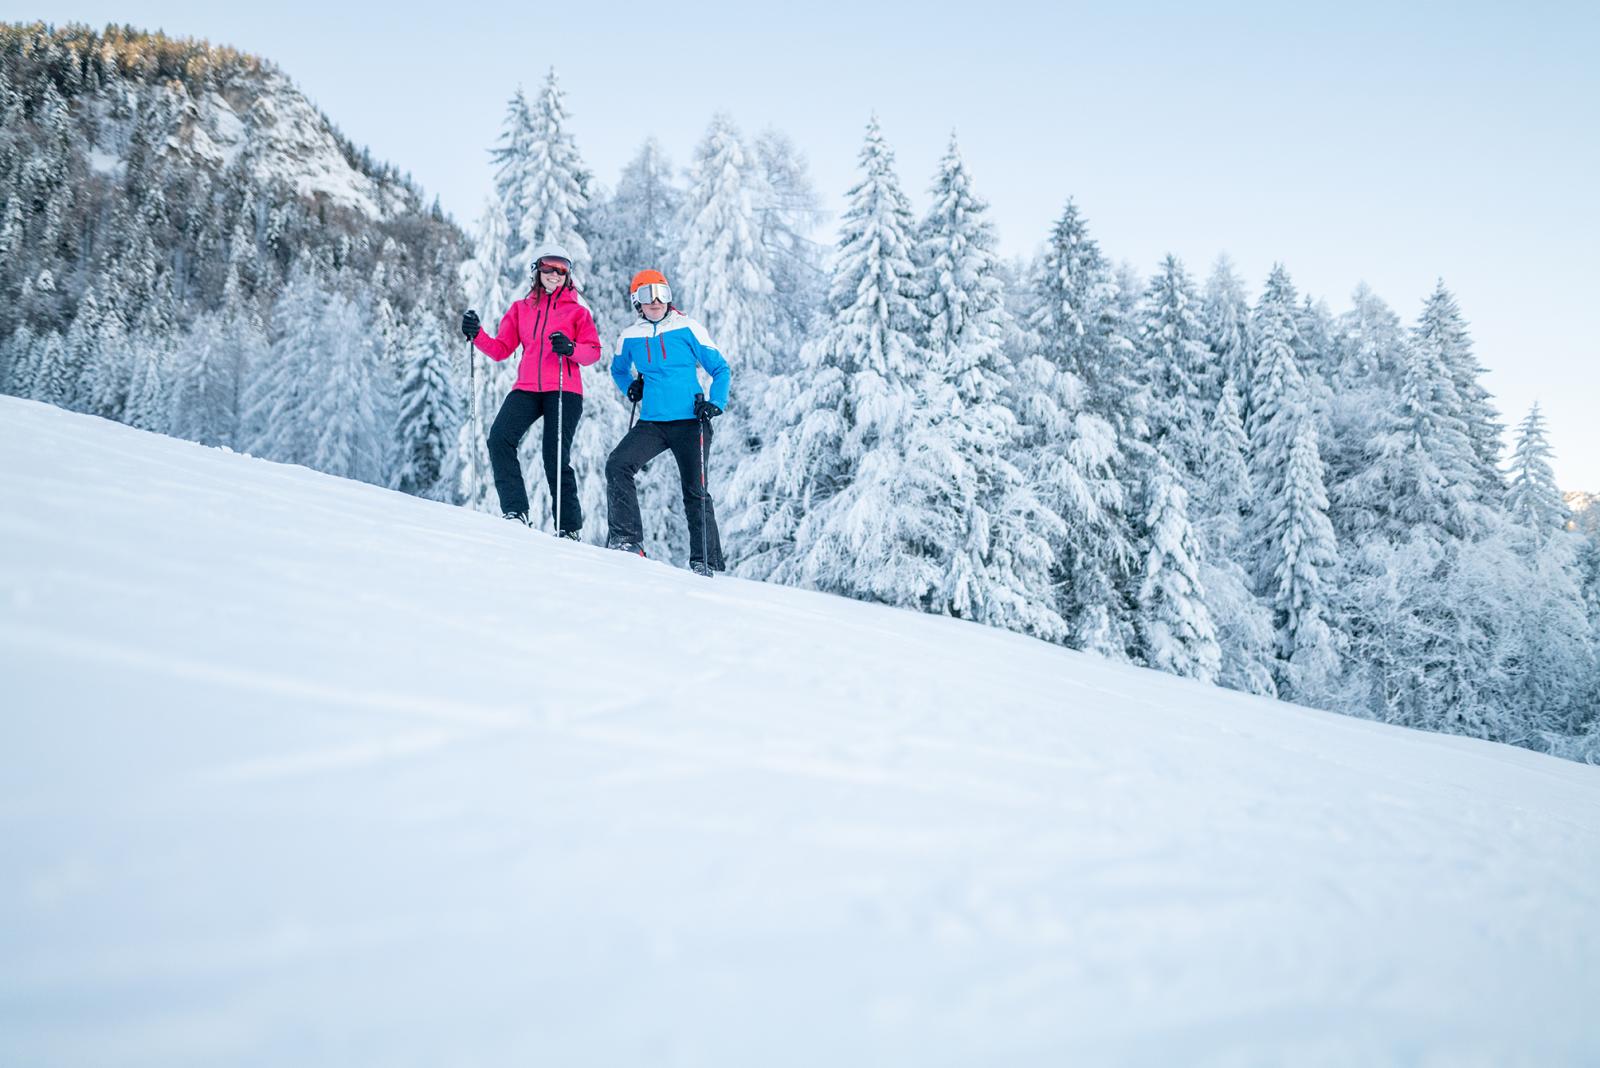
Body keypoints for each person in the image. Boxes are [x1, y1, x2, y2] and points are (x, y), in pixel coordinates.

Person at [460, 244, 600, 537]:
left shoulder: (577, 312)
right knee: (499, 438)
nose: (555, 274)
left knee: (554, 455)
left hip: (564, 389)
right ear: (537, 270)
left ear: (568, 274)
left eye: (562, 268)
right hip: (527, 387)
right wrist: (478, 334)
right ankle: (516, 510)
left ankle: (569, 528)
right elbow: (501, 350)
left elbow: (593, 353)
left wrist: (571, 349)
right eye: (548, 267)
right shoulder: (521, 309)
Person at [605, 269, 730, 576]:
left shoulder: (688, 328)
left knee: (695, 490)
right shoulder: (630, 337)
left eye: (662, 293)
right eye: (648, 295)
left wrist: (716, 403)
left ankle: (706, 560)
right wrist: (630, 386)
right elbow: (618, 369)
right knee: (618, 464)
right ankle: (626, 540)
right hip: (653, 423)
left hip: (691, 421)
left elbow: (720, 369)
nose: (657, 301)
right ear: (637, 301)